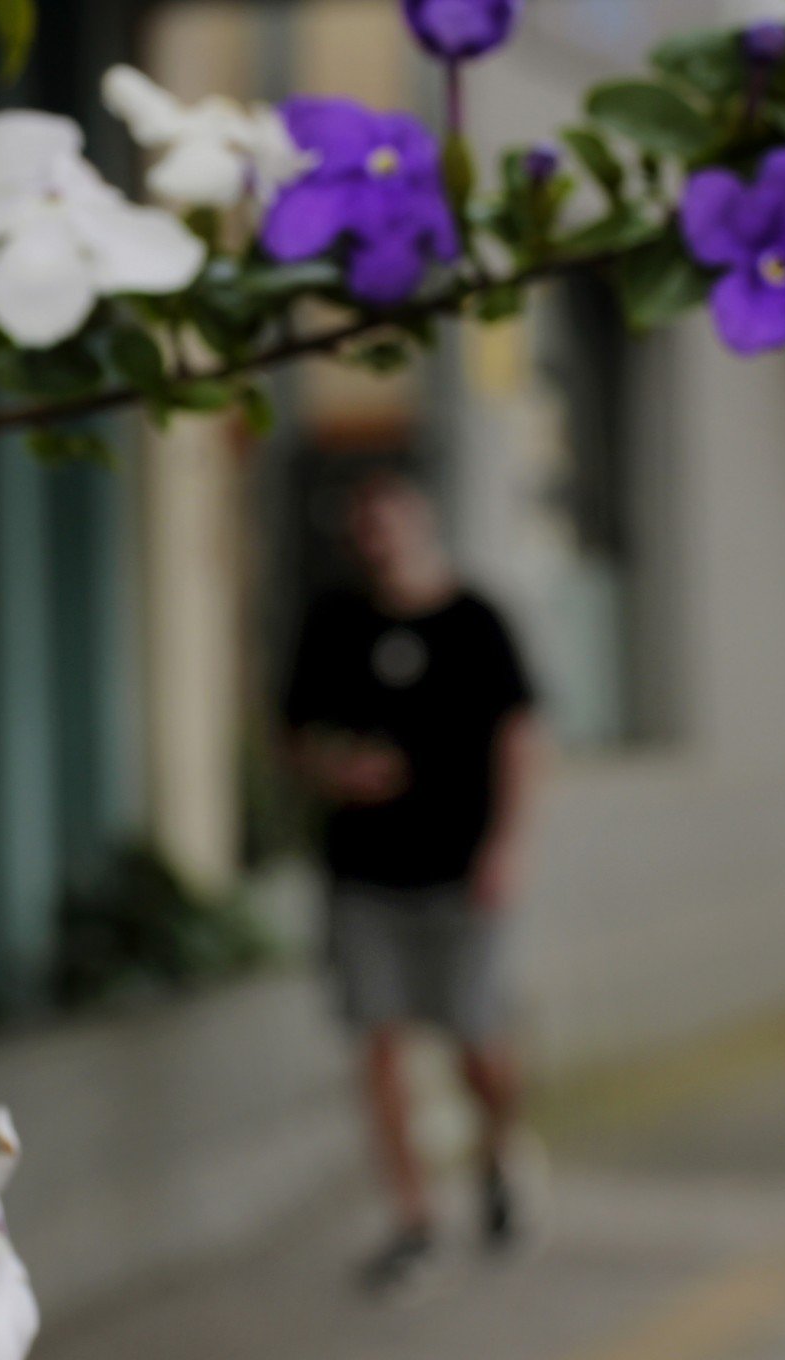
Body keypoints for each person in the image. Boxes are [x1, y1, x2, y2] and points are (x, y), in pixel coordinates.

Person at [282, 466, 543, 1297]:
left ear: (423, 524)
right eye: (367, 527)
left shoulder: (477, 621)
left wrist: (507, 845)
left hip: (460, 869)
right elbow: (291, 732)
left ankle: (498, 1152)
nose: (380, 540)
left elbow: (520, 737)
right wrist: (335, 771)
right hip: (364, 872)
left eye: (392, 523)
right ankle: (412, 1218)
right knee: (380, 1042)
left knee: (476, 1038)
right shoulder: (334, 622)